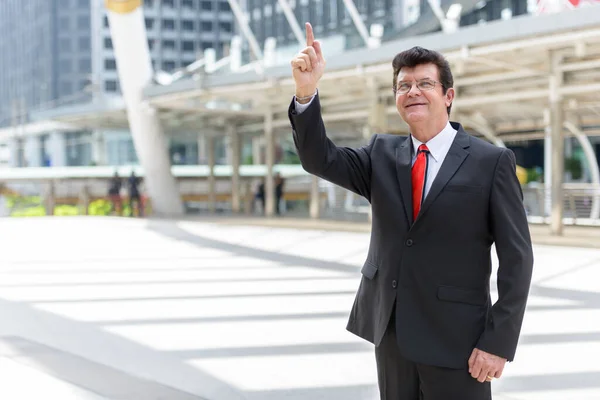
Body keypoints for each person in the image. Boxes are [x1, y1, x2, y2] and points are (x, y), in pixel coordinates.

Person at [289, 23, 533, 400]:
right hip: (393, 334)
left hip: (460, 341)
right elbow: (319, 158)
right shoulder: (380, 155)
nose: (412, 91)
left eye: (424, 84)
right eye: (404, 86)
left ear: (448, 95)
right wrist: (306, 93)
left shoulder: (491, 162)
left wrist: (498, 341)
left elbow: (518, 259)